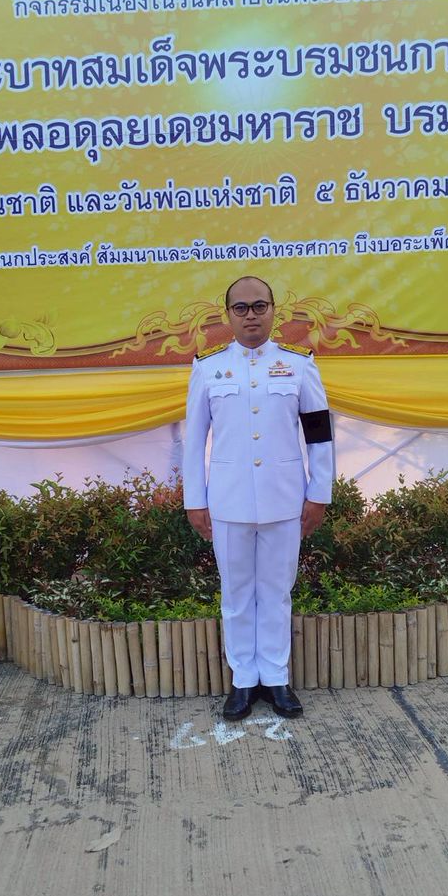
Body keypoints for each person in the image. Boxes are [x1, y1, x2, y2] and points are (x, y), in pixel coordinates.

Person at [182, 276, 334, 720]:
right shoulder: (208, 368)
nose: (251, 315)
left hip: (285, 499)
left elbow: (319, 435)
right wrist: (195, 499)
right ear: (228, 315)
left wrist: (319, 492)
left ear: (273, 310)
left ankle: (275, 676)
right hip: (227, 501)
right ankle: (243, 680)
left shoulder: (299, 365)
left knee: (277, 592)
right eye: (241, 308)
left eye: (259, 306)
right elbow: (194, 441)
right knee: (235, 593)